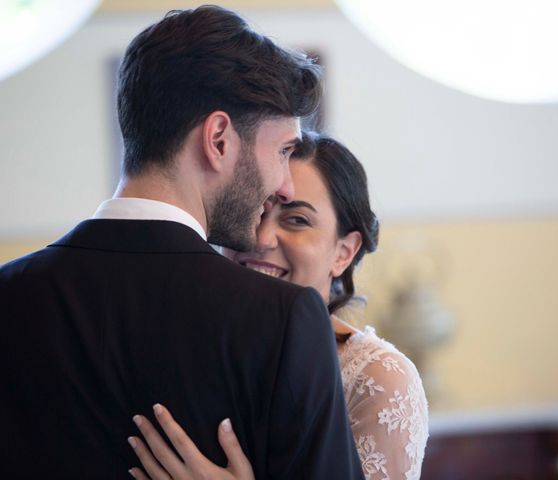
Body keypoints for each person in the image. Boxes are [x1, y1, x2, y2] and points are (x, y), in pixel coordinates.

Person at [0, 7, 364, 479]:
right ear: (218, 139)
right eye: (283, 151)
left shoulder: (9, 294)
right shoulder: (281, 319)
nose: (285, 186)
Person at [126, 133, 430, 480]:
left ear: (344, 252)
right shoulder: (184, 343)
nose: (261, 238)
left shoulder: (377, 380)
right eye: (256, 211)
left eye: (297, 220)